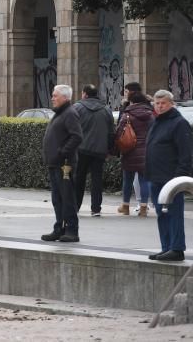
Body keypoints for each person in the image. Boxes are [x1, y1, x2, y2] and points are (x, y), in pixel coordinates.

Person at [145, 90, 192, 261]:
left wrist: (179, 178)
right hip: (155, 177)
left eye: (163, 103)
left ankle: (177, 248)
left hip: (171, 180)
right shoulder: (156, 122)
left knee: (174, 214)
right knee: (161, 214)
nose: (159, 106)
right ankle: (166, 248)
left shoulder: (179, 123)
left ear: (171, 104)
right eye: (157, 103)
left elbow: (186, 154)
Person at [41, 84, 83, 243]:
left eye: (55, 95)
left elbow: (77, 136)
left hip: (64, 164)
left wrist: (62, 152)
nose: (52, 98)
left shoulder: (70, 113)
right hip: (55, 163)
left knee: (67, 198)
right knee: (57, 198)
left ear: (65, 97)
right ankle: (59, 227)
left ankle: (72, 230)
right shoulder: (61, 113)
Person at [73, 84, 115, 217]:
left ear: (84, 94)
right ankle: (96, 209)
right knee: (97, 180)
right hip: (99, 151)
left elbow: (71, 129)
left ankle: (75, 207)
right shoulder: (106, 109)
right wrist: (109, 149)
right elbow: (111, 132)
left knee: (79, 178)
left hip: (81, 149)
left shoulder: (77, 107)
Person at [115, 82, 154, 216]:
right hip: (146, 150)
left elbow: (119, 132)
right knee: (144, 180)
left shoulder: (127, 114)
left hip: (129, 150)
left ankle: (125, 206)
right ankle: (143, 208)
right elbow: (154, 131)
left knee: (127, 180)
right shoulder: (149, 114)